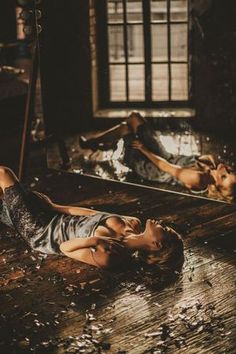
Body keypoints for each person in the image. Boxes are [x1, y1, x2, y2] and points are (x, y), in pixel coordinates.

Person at [0, 166, 184, 271]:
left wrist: (94, 239)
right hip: (52, 215)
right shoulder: (133, 223)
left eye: (165, 230)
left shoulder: (111, 256)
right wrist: (54, 206)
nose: (162, 224)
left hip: (41, 231)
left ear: (156, 245)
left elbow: (64, 248)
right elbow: (90, 214)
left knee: (4, 174)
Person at [79, 111, 236, 202]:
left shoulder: (198, 178)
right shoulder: (211, 168)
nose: (224, 171)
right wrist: (213, 163)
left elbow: (165, 167)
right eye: (228, 172)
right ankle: (104, 143)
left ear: (217, 187)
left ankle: (92, 144)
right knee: (134, 118)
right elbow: (205, 158)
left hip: (151, 168)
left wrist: (143, 149)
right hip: (164, 156)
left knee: (125, 129)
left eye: (223, 177)